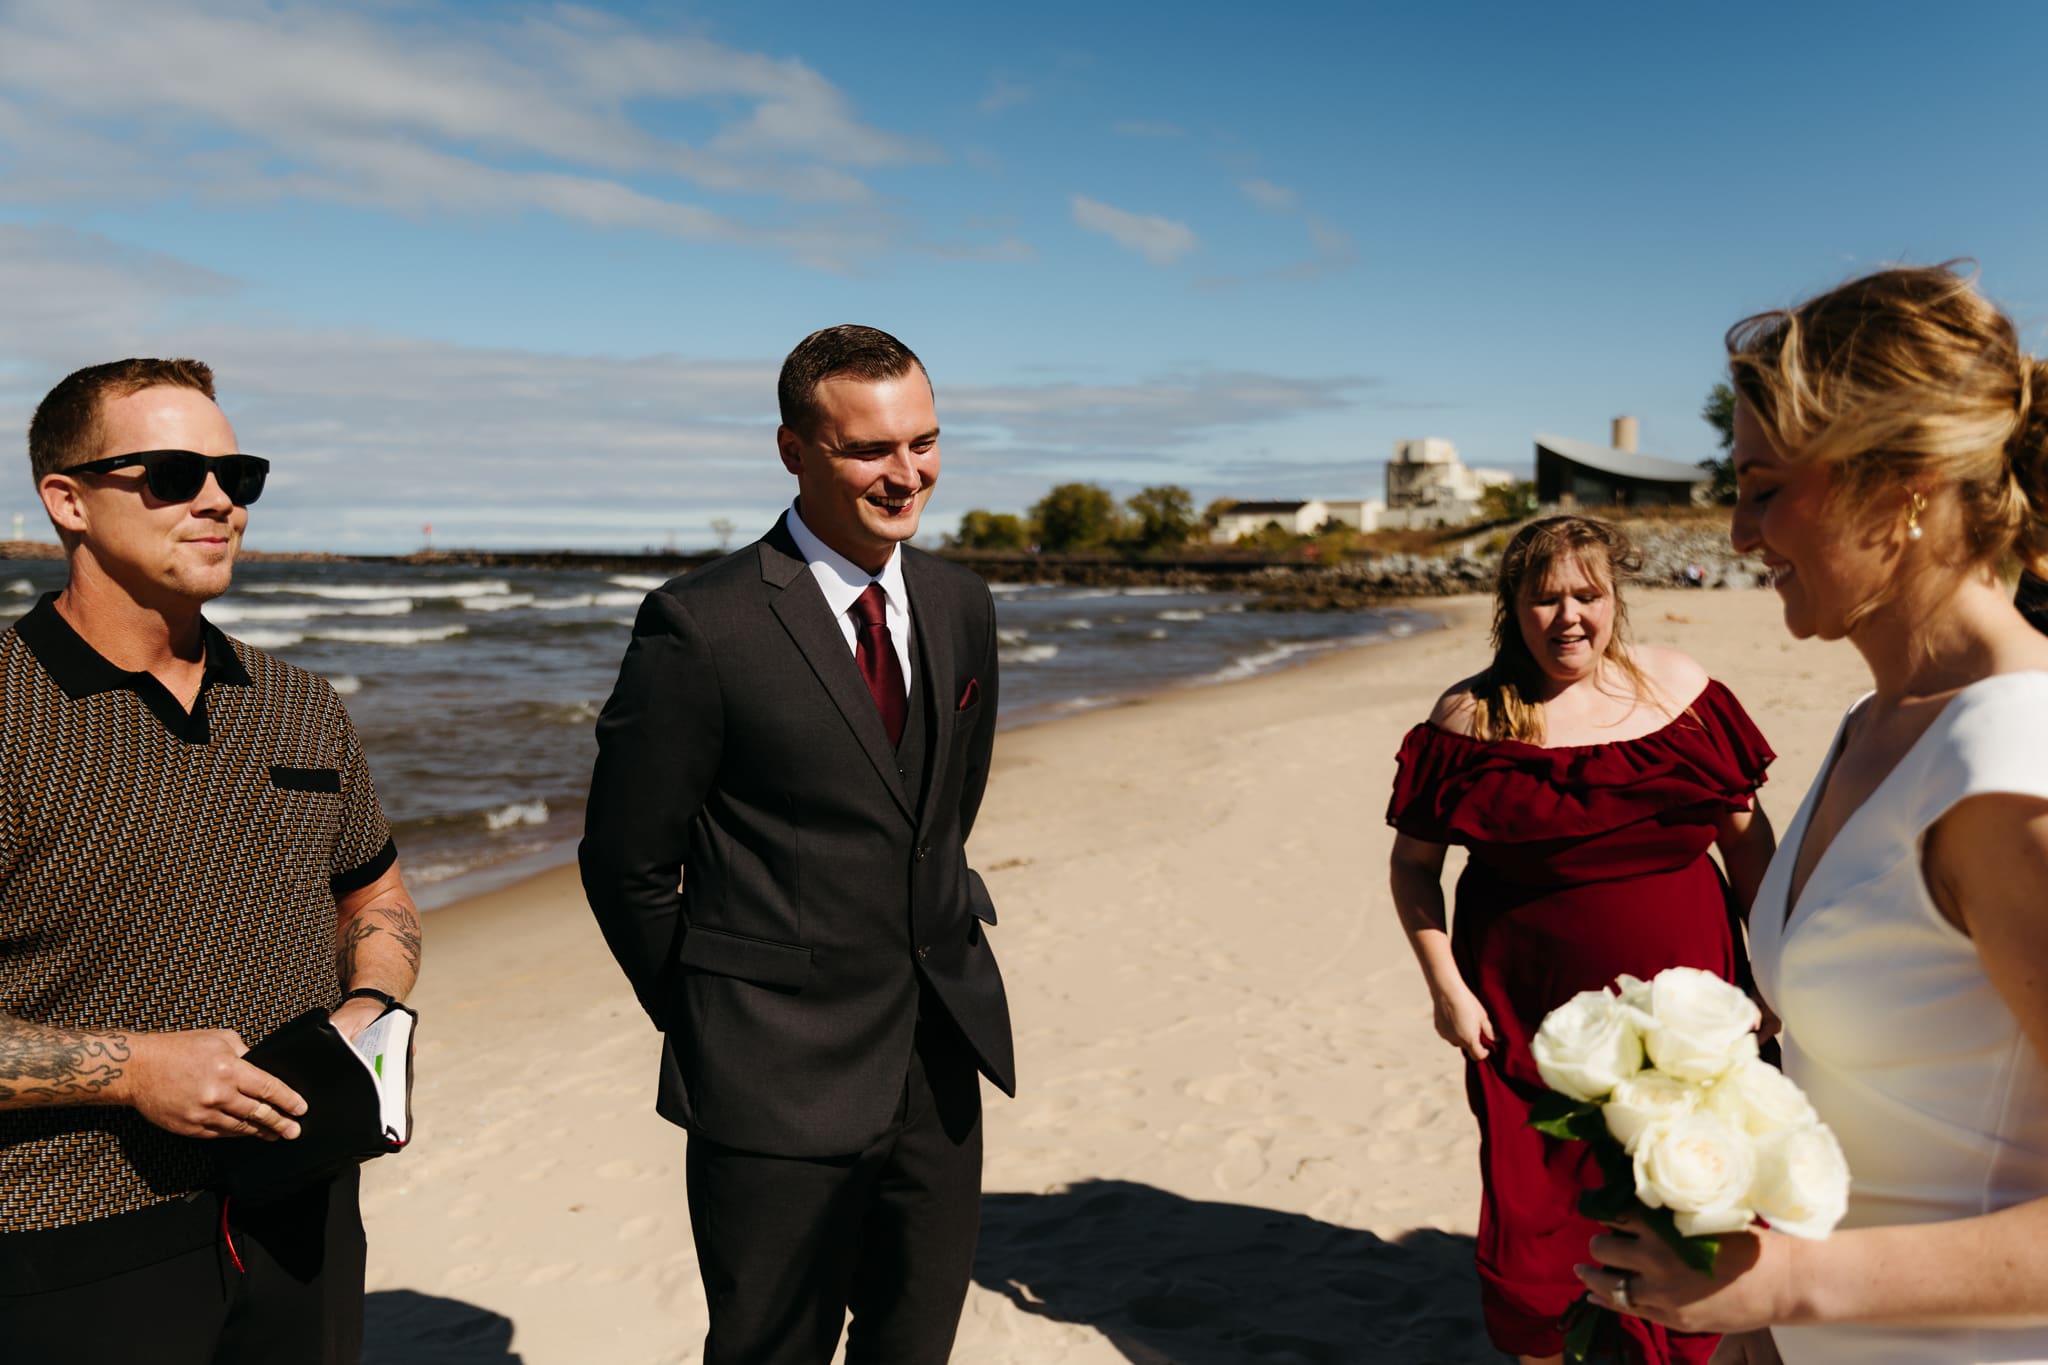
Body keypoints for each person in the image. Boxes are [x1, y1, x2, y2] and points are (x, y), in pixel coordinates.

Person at [1578, 265, 2048, 1364]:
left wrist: (1791, 1283)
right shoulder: (1871, 721)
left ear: (1906, 488)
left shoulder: (2010, 775)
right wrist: (1765, 1323)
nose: (1739, 536)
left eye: (1763, 489)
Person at [580, 324, 1013, 1365]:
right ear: (793, 450)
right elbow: (626, 861)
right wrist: (718, 1022)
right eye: (870, 449)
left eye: (923, 440)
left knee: (914, 1345)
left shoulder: (960, 603)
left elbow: (943, 814)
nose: (904, 473)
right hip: (771, 1079)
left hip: (938, 1054)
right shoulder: (701, 624)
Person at [0, 358, 421, 1362]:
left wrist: (374, 1005)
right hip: (72, 1237)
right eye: (171, 474)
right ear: (68, 499)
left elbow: (374, 889)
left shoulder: (298, 702)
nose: (217, 501)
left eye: (239, 476)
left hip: (305, 1202)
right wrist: (133, 1069)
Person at [1387, 515, 1778, 1365]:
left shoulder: (1680, 690)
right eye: (1546, 597)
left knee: (1699, 1202)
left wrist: (1771, 968)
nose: (1569, 616)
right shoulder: (1468, 719)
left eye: (1587, 595)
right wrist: (1446, 988)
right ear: (1513, 608)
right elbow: (1413, 869)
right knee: (1539, 1222)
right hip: (1529, 1017)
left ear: (1615, 599)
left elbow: (1747, 843)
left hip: (1691, 1012)